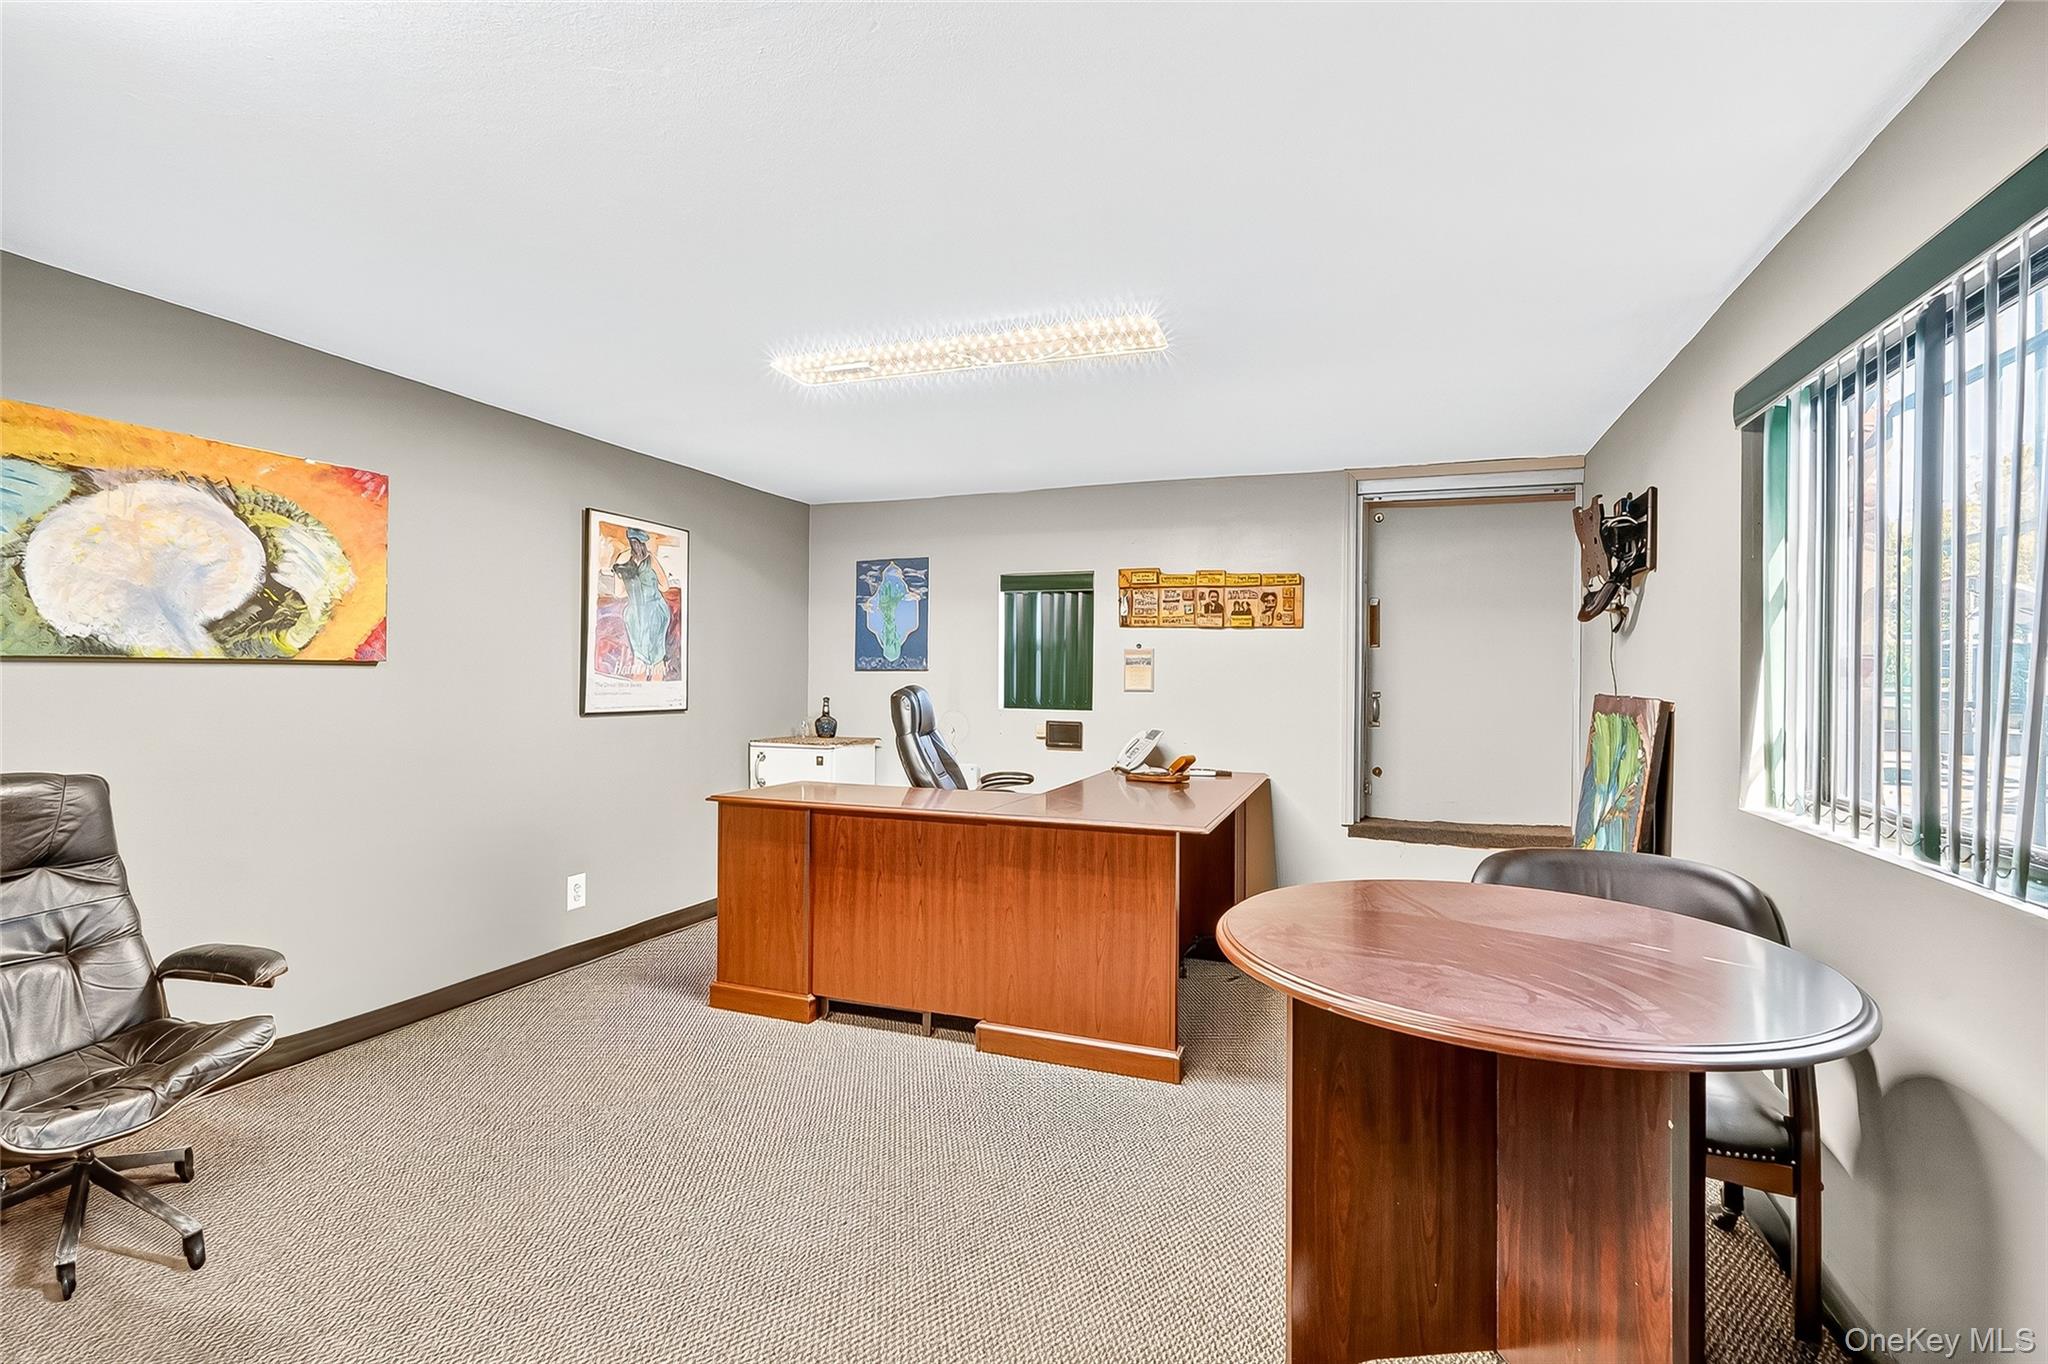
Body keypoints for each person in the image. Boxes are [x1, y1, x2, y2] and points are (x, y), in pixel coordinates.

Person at [610, 527, 673, 680]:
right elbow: (665, 586)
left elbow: (618, 593)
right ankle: (655, 696)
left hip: (635, 615)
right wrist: (649, 588)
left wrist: (634, 590)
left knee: (640, 660)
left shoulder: (622, 561)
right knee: (656, 659)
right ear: (643, 543)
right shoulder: (650, 559)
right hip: (655, 612)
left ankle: (641, 695)